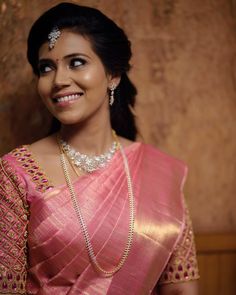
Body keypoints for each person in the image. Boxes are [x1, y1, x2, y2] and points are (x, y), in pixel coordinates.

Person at [0, 2, 199, 294]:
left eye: (76, 62)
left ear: (113, 75)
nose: (59, 80)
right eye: (46, 68)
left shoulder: (160, 172)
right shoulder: (16, 173)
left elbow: (182, 288)